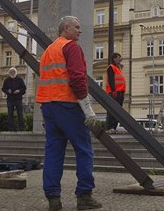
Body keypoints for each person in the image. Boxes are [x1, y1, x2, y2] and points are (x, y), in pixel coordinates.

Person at [36, 16, 102, 211]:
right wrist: (87, 107)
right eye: (77, 27)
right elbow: (77, 77)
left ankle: (53, 199)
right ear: (66, 28)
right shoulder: (71, 47)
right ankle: (84, 196)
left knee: (53, 152)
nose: (80, 31)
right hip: (68, 105)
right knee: (83, 149)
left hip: (49, 106)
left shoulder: (49, 50)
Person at [105, 52, 126, 132]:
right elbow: (111, 80)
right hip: (115, 92)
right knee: (112, 110)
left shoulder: (118, 68)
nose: (119, 60)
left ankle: (114, 127)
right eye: (118, 58)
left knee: (118, 111)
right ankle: (110, 127)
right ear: (114, 59)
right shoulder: (111, 67)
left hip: (120, 92)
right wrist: (113, 90)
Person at [2, 67, 26, 131]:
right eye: (11, 72)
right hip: (10, 99)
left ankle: (21, 128)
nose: (12, 73)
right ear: (9, 73)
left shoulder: (20, 79)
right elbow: (3, 88)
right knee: (10, 114)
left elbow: (24, 88)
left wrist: (19, 91)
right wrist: (7, 91)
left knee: (20, 114)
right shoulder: (6, 80)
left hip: (18, 99)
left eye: (13, 72)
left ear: (16, 72)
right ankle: (11, 129)